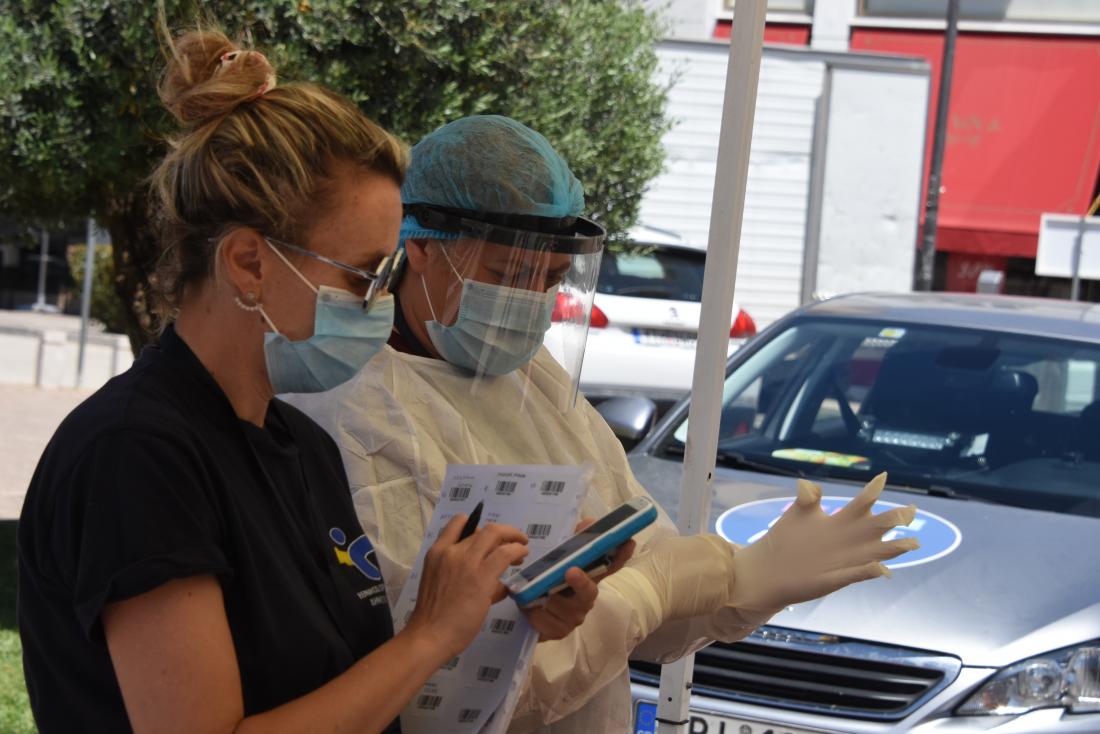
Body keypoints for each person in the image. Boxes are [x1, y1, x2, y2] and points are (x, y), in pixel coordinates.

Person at [15, 35, 590, 734]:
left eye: (385, 277)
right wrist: (431, 633)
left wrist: (499, 617)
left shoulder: (300, 446)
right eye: (361, 275)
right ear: (248, 263)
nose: (381, 302)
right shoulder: (137, 455)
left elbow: (350, 690)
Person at [288, 115, 919, 733]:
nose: (530, 299)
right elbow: (448, 690)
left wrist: (750, 579)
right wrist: (645, 594)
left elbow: (648, 564)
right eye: (508, 275)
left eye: (551, 278)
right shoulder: (355, 406)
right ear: (421, 248)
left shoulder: (530, 377)